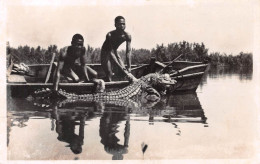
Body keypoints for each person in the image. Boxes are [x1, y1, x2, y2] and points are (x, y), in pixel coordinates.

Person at [101, 16, 137, 82]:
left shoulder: (127, 35)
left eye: (123, 24)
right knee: (109, 75)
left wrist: (129, 67)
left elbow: (128, 52)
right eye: (120, 24)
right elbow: (110, 52)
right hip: (106, 53)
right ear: (115, 25)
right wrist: (120, 66)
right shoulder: (110, 35)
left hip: (114, 51)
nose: (122, 26)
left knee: (123, 72)